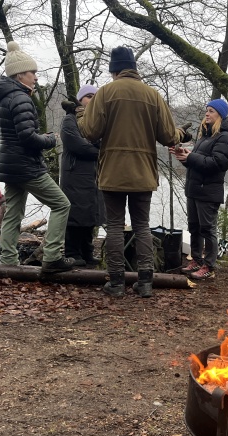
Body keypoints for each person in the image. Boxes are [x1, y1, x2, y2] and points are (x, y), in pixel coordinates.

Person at [78, 46, 190, 297]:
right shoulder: (152, 95)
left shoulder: (105, 93)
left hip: (113, 172)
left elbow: (89, 132)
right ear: (133, 69)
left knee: (115, 226)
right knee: (142, 226)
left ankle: (117, 283)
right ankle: (146, 283)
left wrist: (80, 113)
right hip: (143, 172)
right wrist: (181, 133)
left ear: (114, 70)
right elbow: (168, 137)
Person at [0, 41, 75, 274]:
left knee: (13, 214)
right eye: (32, 73)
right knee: (62, 204)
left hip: (9, 162)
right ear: (20, 75)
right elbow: (27, 138)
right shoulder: (20, 98)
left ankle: (7, 262)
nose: (35, 77)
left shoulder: (2, 98)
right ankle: (53, 257)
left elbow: (7, 135)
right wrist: (50, 139)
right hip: (25, 165)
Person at [172, 98, 228, 280]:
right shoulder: (205, 136)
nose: (207, 114)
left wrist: (191, 157)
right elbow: (197, 164)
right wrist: (184, 157)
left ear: (221, 116)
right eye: (207, 110)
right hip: (194, 189)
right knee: (194, 228)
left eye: (211, 111)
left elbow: (217, 164)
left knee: (208, 229)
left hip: (209, 192)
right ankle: (196, 260)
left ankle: (209, 266)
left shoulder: (225, 137)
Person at [59, 85, 104, 267]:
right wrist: (100, 152)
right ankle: (72, 252)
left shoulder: (97, 120)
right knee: (75, 215)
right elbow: (78, 146)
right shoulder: (69, 120)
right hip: (75, 174)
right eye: (88, 96)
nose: (92, 99)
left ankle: (87, 252)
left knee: (90, 215)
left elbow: (103, 141)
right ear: (80, 99)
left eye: (95, 96)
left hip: (93, 174)